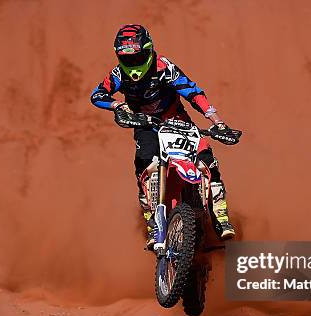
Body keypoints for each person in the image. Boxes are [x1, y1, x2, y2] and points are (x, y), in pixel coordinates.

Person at [90, 24, 240, 249]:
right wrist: (117, 105)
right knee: (144, 166)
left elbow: (193, 92)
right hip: (146, 125)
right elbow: (97, 95)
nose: (133, 64)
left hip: (177, 121)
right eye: (127, 59)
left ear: (148, 51)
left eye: (138, 56)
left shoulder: (164, 67)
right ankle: (153, 225)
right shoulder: (118, 74)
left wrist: (217, 122)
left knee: (207, 159)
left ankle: (221, 219)